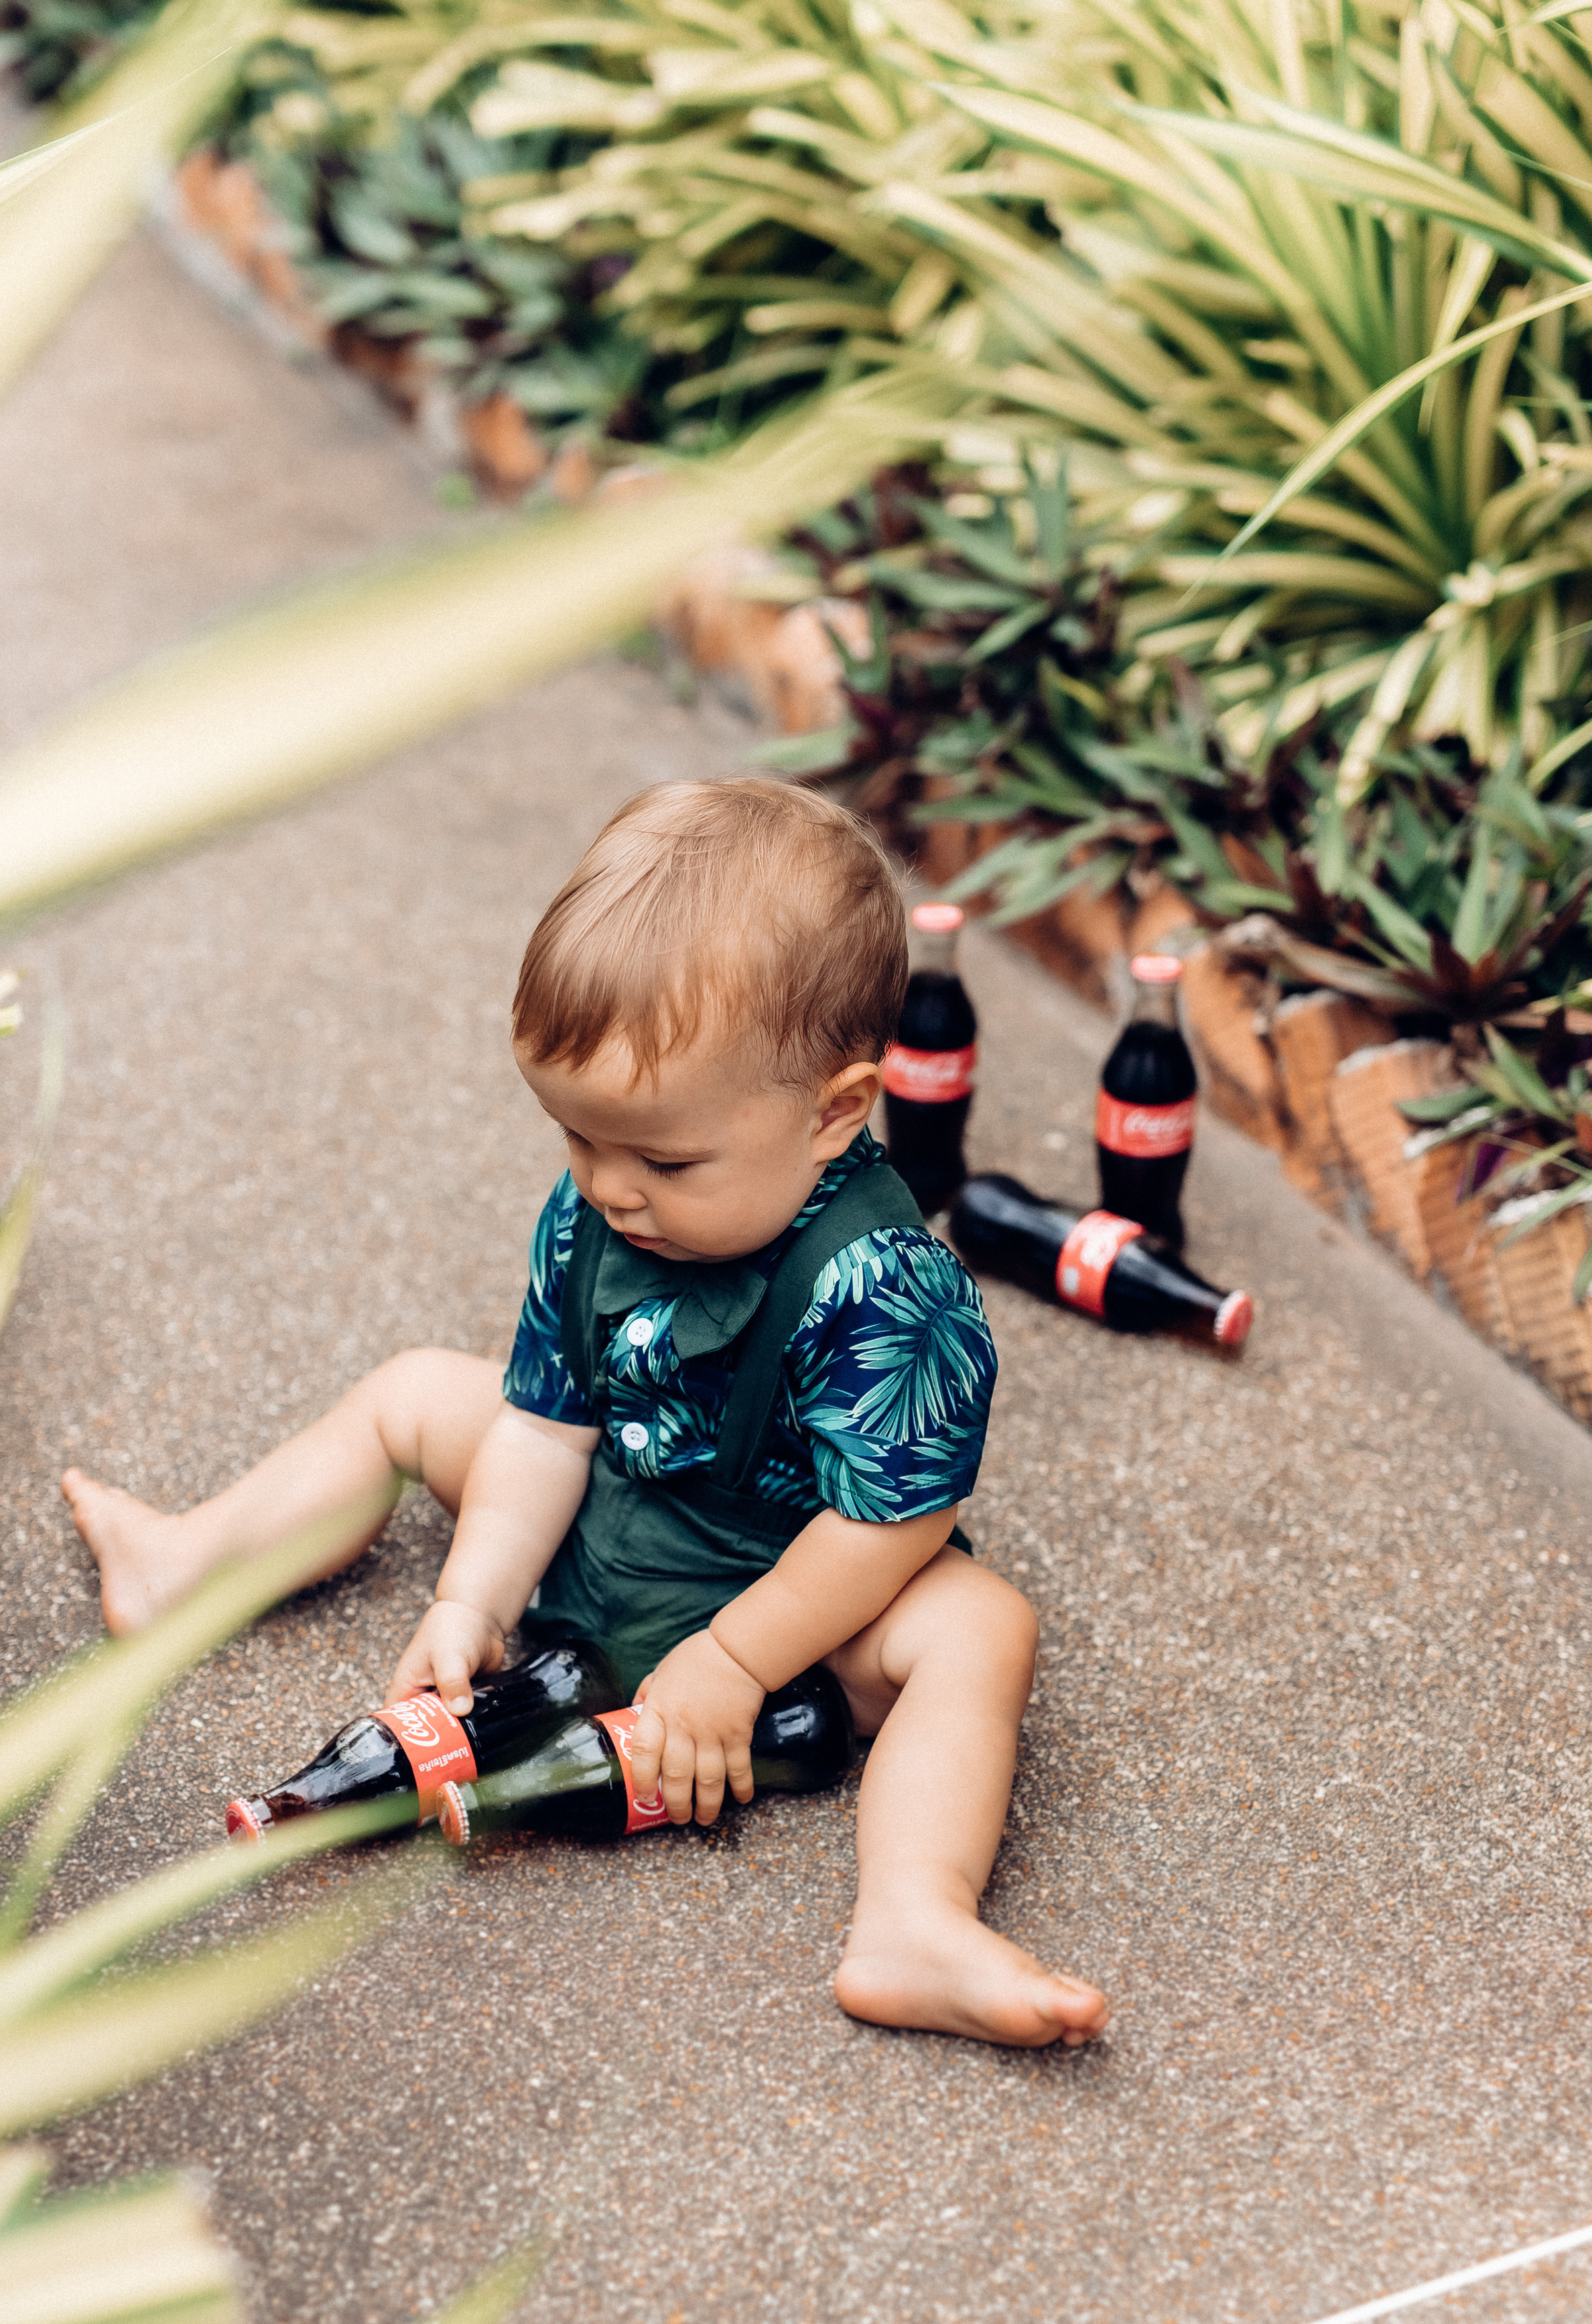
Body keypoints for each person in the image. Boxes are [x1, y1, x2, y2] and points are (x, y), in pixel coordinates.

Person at [63, 778, 1108, 2050]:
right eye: (577, 1138)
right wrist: (474, 1597)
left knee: (979, 1632)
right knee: (412, 1394)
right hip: (597, 1515)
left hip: (779, 1585)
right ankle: (191, 1562)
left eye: (665, 1161)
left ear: (836, 1112)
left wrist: (732, 1665)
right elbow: (546, 1425)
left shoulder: (884, 1284)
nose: (611, 1189)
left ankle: (912, 1916)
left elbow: (891, 1523)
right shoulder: (596, 1211)